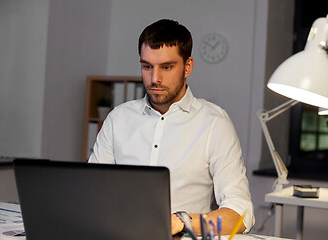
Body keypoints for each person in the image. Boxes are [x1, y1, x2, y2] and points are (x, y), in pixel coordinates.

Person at [89, 19, 254, 236]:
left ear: (188, 67)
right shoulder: (118, 119)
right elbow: (93, 192)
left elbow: (240, 214)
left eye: (166, 67)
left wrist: (182, 221)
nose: (154, 78)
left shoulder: (215, 123)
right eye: (147, 66)